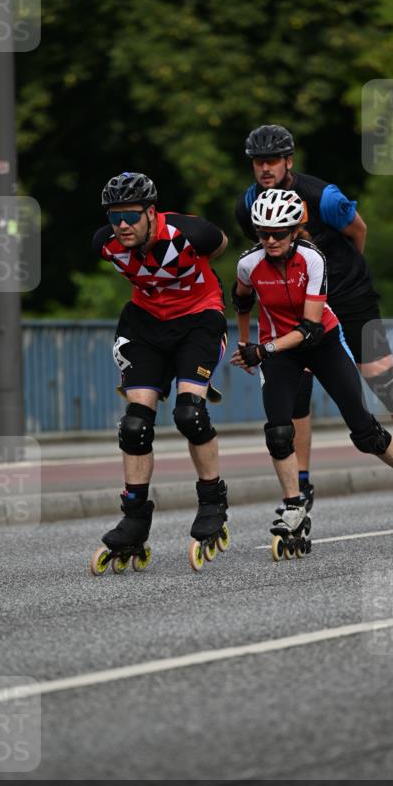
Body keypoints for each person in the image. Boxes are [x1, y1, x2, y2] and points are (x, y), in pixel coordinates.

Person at [235, 125, 393, 521]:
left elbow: (359, 231)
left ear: (289, 161)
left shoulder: (323, 196)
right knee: (295, 388)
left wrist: (342, 277)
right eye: (258, 162)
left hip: (348, 295)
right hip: (299, 301)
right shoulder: (248, 204)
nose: (265, 169)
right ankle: (301, 485)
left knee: (382, 379)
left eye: (273, 161)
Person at [231, 188, 393, 551]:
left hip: (322, 342)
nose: (269, 240)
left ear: (295, 231)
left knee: (364, 433)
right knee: (278, 432)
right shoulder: (249, 263)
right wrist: (243, 341)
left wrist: (261, 349)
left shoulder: (313, 259)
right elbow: (241, 298)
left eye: (278, 233)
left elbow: (311, 327)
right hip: (280, 351)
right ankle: (294, 506)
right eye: (262, 232)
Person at [91, 171, 230, 572]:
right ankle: (134, 518)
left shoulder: (191, 233)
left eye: (131, 216)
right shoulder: (105, 244)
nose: (122, 226)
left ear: (151, 213)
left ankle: (212, 501)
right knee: (134, 426)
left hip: (198, 318)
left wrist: (186, 286)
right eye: (114, 217)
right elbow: (114, 240)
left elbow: (219, 246)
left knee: (190, 413)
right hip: (145, 324)